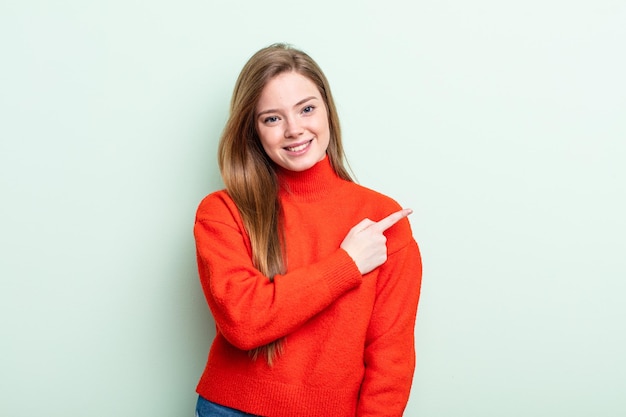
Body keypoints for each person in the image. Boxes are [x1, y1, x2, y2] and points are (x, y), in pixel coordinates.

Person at [193, 43, 422, 417]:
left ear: (327, 110)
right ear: (252, 130)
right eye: (272, 118)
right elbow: (244, 322)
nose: (294, 129)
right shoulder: (222, 212)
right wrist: (346, 265)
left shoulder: (381, 219)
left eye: (307, 108)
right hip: (232, 409)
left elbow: (390, 358)